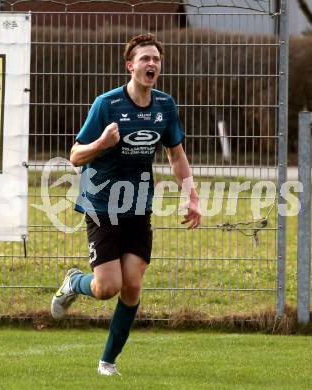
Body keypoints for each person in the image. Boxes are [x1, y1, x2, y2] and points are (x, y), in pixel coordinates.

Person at [50, 33, 201, 376]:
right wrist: (102, 142)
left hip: (137, 205)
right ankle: (75, 282)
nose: (151, 64)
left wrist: (190, 194)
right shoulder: (107, 104)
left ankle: (108, 362)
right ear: (130, 66)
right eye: (144, 59)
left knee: (132, 285)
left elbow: (176, 155)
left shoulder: (165, 106)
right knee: (107, 287)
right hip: (101, 203)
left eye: (156, 59)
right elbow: (75, 155)